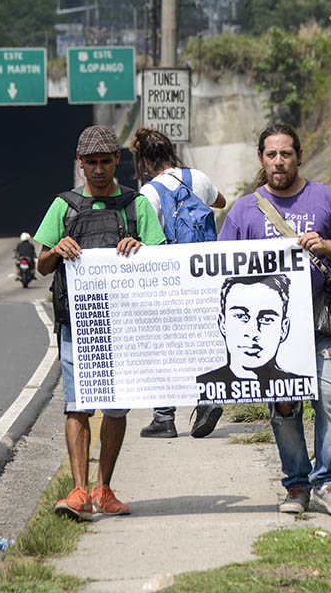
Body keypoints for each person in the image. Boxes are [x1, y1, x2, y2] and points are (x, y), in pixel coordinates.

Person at [219, 124, 331, 516]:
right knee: (284, 404)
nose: (278, 161)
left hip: (320, 318)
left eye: (285, 154)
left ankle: (328, 482)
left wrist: (327, 245)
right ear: (261, 159)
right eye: (271, 155)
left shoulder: (327, 199)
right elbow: (220, 267)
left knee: (330, 392)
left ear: (298, 156)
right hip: (271, 328)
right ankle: (296, 485)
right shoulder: (245, 210)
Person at [34, 125, 166, 520]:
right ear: (80, 165)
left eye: (105, 162)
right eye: (90, 163)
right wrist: (56, 249)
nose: (97, 170)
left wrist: (139, 248)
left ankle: (103, 489)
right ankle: (78, 492)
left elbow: (162, 262)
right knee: (77, 407)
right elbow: (41, 266)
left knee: (116, 410)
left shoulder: (135, 204)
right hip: (77, 325)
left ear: (117, 162)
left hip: (124, 327)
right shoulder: (65, 206)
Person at [129, 127, 227, 439]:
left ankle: (164, 417)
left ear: (145, 161)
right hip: (205, 274)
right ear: (171, 152)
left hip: (170, 280)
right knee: (201, 341)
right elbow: (221, 202)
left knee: (164, 348)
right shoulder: (198, 177)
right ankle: (208, 399)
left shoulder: (149, 192)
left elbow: (147, 240)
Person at [196, 274, 313, 404]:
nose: (253, 332)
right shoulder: (199, 384)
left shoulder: (304, 383)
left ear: (283, 328)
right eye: (240, 316)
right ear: (222, 323)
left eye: (266, 319)